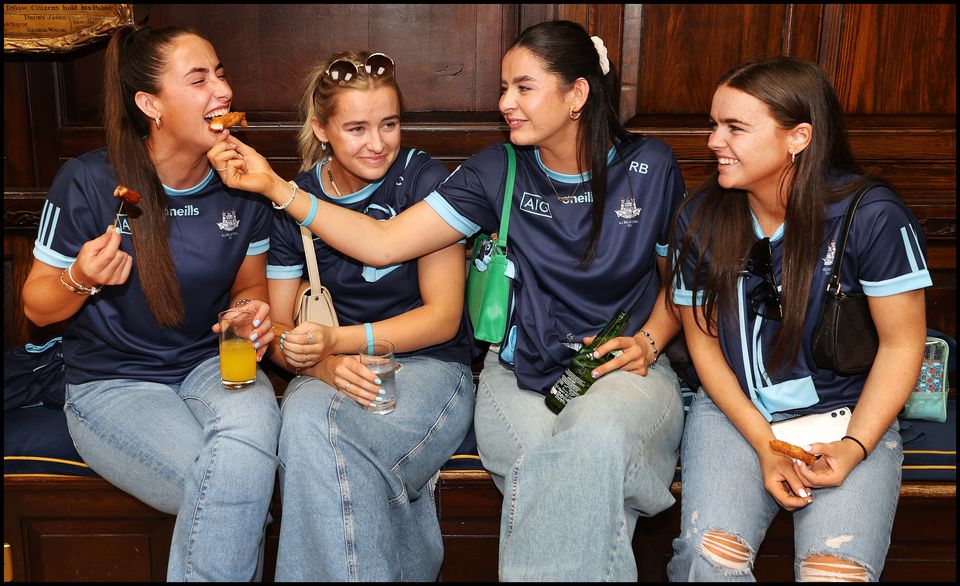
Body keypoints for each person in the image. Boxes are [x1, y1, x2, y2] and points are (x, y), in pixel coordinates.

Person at [210, 19, 686, 581]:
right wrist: (278, 189)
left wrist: (651, 339)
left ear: (577, 93)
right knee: (321, 422)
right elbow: (385, 243)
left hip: (616, 368)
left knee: (593, 444)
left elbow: (680, 286)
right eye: (504, 87)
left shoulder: (650, 166)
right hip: (524, 373)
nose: (505, 102)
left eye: (523, 88)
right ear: (324, 129)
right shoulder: (497, 169)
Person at [21, 25, 280, 581]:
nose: (223, 91)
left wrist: (250, 313)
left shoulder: (243, 179)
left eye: (222, 74)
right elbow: (38, 309)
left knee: (246, 457)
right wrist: (79, 277)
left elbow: (250, 287)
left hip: (215, 366)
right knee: (231, 491)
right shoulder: (89, 181)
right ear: (150, 104)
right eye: (199, 79)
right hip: (113, 383)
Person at [666, 56, 931, 581]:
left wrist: (855, 448)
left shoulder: (871, 216)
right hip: (736, 414)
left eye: (735, 127)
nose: (714, 141)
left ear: (799, 137)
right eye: (714, 124)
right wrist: (765, 444)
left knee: (835, 574)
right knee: (711, 558)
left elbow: (904, 346)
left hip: (849, 418)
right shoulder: (699, 217)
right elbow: (704, 346)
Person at [262, 51, 476, 582]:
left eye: (389, 124)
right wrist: (319, 363)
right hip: (332, 375)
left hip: (429, 368)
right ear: (322, 128)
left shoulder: (423, 179)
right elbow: (278, 333)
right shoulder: (298, 198)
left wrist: (338, 342)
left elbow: (443, 318)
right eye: (356, 128)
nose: (377, 142)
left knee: (327, 442)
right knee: (310, 419)